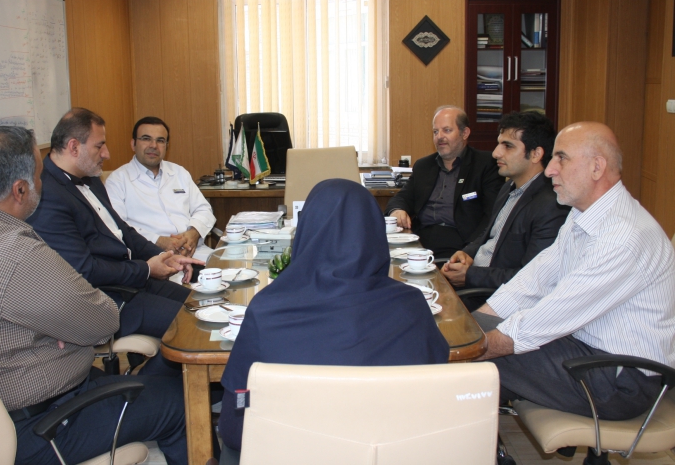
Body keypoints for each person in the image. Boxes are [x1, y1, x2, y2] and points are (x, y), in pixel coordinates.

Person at [0, 126, 187, 465]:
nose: (43, 184)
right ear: (20, 189)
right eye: (39, 176)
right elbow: (102, 322)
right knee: (181, 401)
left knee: (146, 386)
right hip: (42, 425)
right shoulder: (16, 253)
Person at [219, 179, 449, 461]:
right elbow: (437, 403)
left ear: (305, 231)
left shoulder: (266, 311)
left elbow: (234, 428)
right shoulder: (412, 307)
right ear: (374, 232)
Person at [475, 122, 675, 421]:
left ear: (597, 167)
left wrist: (470, 346)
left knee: (470, 355)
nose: (549, 170)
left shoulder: (623, 238)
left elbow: (551, 315)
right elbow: (535, 280)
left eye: (561, 158)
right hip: (582, 348)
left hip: (619, 380)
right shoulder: (583, 214)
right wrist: (477, 320)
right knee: (462, 333)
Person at [27, 108, 201, 339]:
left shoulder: (91, 178)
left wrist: (165, 256)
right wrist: (147, 269)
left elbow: (123, 230)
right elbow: (84, 270)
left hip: (131, 280)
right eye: (99, 146)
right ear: (74, 147)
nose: (107, 153)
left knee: (201, 306)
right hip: (104, 300)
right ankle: (156, 365)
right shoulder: (47, 194)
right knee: (191, 325)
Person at [441, 111, 569, 291]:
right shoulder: (508, 187)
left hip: (490, 294)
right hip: (475, 278)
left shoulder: (551, 205)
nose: (496, 153)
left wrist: (470, 276)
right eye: (498, 144)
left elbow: (532, 278)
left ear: (536, 154)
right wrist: (467, 253)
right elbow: (490, 234)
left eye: (507, 146)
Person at [384, 106, 504, 258]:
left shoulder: (485, 164)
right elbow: (402, 198)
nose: (439, 137)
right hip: (420, 239)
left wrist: (470, 250)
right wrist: (397, 210)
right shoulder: (424, 165)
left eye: (447, 130)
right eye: (435, 132)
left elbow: (492, 216)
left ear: (464, 133)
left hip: (461, 243)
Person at [106, 116, 216, 262]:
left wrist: (194, 233)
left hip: (194, 251)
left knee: (236, 268)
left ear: (166, 146)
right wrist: (158, 240)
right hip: (153, 258)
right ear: (133, 144)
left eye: (160, 140)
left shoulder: (179, 173)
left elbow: (204, 209)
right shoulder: (117, 181)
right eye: (146, 139)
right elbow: (118, 227)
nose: (153, 145)